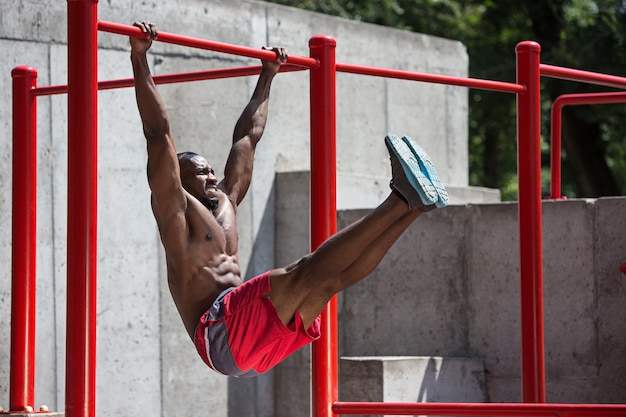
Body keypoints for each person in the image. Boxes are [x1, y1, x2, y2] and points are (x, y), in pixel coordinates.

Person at [130, 21, 448, 378]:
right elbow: (157, 135)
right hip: (219, 334)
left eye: (210, 170)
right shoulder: (176, 215)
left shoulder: (226, 203)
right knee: (305, 270)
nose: (212, 176)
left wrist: (267, 75)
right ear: (179, 179)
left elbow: (247, 138)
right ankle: (398, 198)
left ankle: (411, 208)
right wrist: (139, 59)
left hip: (252, 343)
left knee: (329, 283)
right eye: (200, 172)